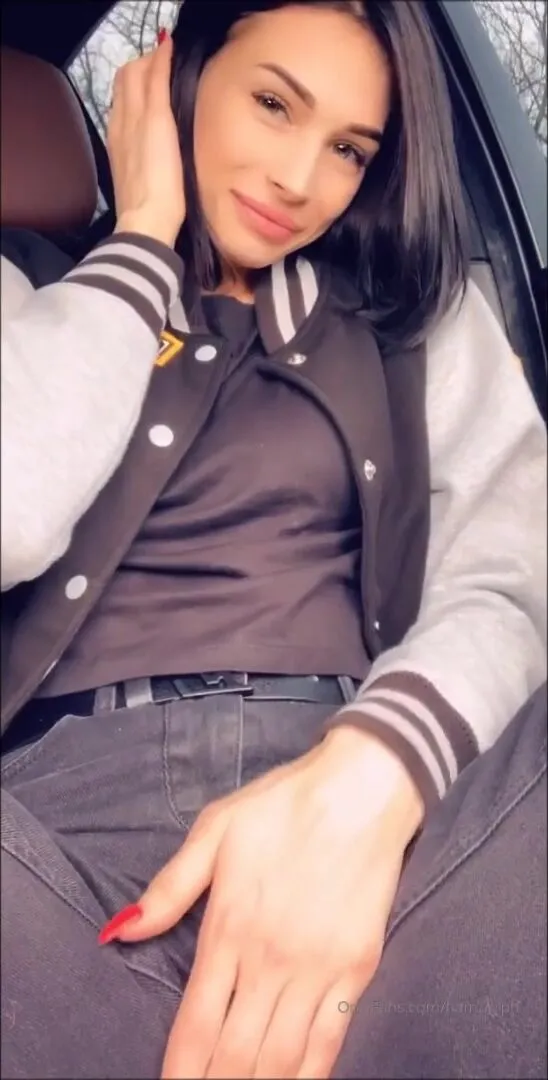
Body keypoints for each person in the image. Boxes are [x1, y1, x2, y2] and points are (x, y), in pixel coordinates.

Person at [1, 3, 546, 1078]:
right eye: (271, 103)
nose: (301, 179)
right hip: (48, 866)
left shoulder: (412, 317)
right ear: (180, 75)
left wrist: (373, 776)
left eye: (348, 150)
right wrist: (141, 241)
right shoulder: (30, 290)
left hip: (388, 833)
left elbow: (512, 572)